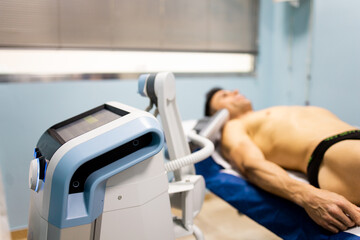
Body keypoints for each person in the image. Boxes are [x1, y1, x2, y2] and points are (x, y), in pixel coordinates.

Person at [204, 87, 360, 233]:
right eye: (224, 96)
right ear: (217, 114)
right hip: (333, 149)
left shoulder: (273, 111)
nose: (235, 91)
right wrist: (308, 196)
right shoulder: (234, 126)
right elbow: (251, 165)